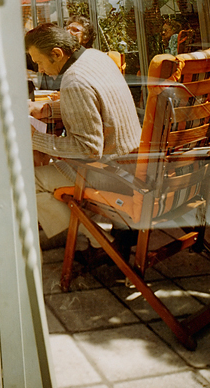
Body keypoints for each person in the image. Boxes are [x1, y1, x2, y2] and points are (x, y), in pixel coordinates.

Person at [25, 23, 142, 250]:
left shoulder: (74, 80)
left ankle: (97, 241)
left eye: (38, 62)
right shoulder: (96, 57)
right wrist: (49, 109)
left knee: (27, 182)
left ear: (57, 54)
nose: (39, 69)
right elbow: (100, 105)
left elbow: (88, 149)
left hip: (111, 172)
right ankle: (81, 230)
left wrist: (31, 138)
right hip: (133, 163)